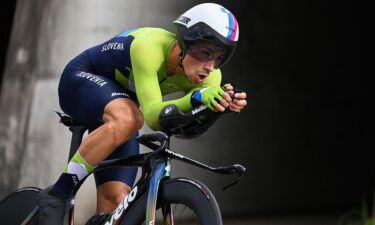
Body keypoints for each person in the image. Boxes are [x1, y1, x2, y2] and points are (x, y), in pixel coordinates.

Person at [38, 2, 247, 224]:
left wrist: (216, 109)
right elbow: (155, 117)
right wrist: (197, 98)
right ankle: (57, 194)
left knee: (117, 203)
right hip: (81, 79)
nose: (211, 66)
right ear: (186, 43)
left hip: (122, 102)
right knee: (130, 118)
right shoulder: (149, 48)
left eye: (218, 58)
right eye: (206, 53)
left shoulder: (211, 77)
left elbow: (185, 129)